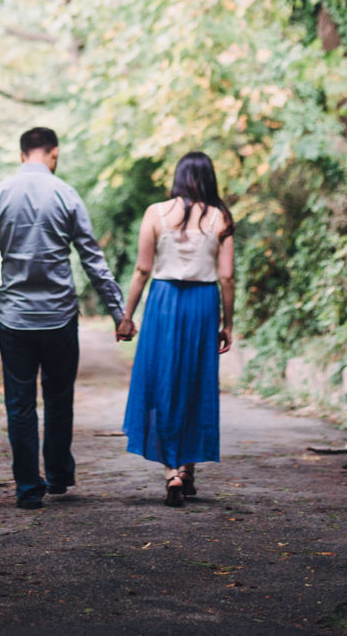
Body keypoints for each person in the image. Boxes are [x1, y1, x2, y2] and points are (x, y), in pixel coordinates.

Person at [0, 126, 134, 510]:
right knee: (59, 399)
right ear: (54, 153)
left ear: (22, 154)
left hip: (14, 319)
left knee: (20, 404)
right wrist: (118, 312)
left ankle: (29, 489)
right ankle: (59, 475)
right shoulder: (66, 194)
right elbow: (93, 259)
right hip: (60, 317)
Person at [117, 150, 235, 507]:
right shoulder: (221, 217)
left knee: (163, 380)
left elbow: (141, 270)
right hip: (202, 305)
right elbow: (227, 276)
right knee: (196, 381)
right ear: (210, 178)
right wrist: (227, 323)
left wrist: (127, 316)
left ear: (178, 177)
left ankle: (171, 472)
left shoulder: (156, 213)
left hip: (163, 303)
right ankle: (188, 470)